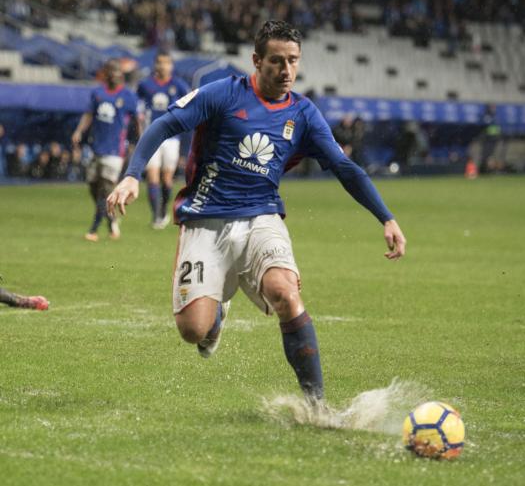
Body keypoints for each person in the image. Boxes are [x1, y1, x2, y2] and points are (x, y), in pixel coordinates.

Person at [107, 20, 406, 401]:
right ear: (256, 60)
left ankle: (317, 406)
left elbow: (345, 168)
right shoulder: (223, 95)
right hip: (205, 218)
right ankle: (216, 314)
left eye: (293, 61)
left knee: (285, 292)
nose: (286, 71)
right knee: (193, 331)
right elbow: (163, 126)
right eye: (277, 61)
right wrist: (133, 175)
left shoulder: (303, 113)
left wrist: (386, 217)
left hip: (262, 217)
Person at [72, 59, 139, 241]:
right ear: (106, 73)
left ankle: (93, 229)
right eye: (111, 70)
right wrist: (79, 131)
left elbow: (137, 119)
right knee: (93, 187)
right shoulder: (97, 92)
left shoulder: (127, 95)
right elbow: (88, 115)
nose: (114, 74)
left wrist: (139, 141)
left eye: (117, 71)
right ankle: (112, 221)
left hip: (115, 151)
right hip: (96, 148)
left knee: (105, 189)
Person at [137, 52, 190, 228]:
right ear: (155, 64)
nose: (163, 66)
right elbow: (139, 111)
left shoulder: (179, 86)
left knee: (167, 179)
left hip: (172, 138)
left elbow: (189, 107)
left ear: (171, 66)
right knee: (152, 176)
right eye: (159, 62)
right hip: (151, 135)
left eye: (166, 63)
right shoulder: (145, 85)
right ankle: (156, 216)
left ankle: (164, 208)